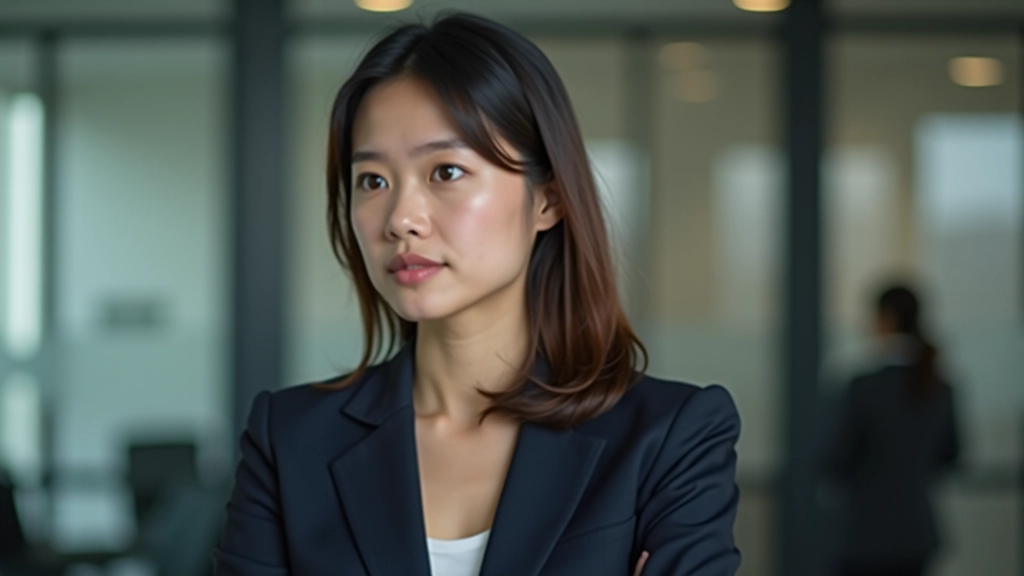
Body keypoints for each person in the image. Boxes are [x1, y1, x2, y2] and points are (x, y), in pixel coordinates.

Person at [213, 13, 740, 576]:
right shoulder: (291, 440)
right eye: (372, 180)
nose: (401, 219)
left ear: (547, 201)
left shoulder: (669, 435)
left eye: (446, 171)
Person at [826, 284, 960, 576]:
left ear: (885, 318)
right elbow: (952, 456)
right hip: (917, 533)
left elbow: (838, 459)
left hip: (866, 536)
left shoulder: (864, 387)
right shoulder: (941, 386)